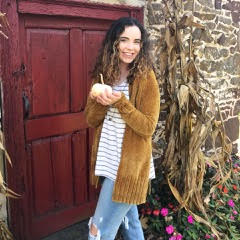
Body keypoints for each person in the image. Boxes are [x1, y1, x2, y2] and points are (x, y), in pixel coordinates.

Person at [84, 17, 160, 240]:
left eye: (137, 42)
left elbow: (148, 127)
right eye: (124, 40)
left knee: (98, 231)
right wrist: (98, 98)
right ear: (114, 42)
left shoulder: (146, 78)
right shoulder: (105, 73)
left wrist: (120, 102)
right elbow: (91, 119)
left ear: (142, 46)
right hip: (110, 161)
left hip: (129, 168)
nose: (131, 47)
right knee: (131, 223)